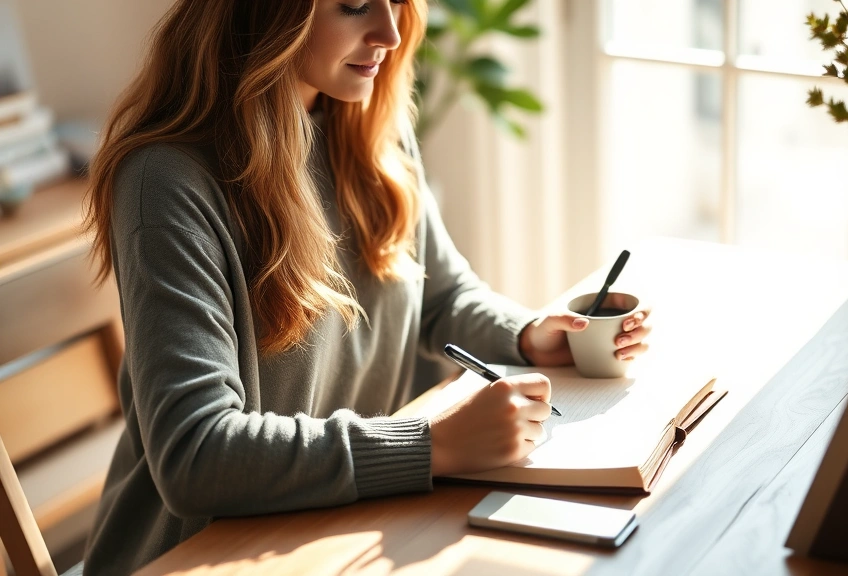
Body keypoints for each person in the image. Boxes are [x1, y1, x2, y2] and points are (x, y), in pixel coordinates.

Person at [81, 0, 652, 573]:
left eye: (397, 2)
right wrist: (433, 443)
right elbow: (196, 453)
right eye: (354, 6)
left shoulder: (371, 130)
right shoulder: (166, 184)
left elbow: (440, 296)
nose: (391, 31)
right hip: (193, 557)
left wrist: (528, 336)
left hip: (336, 529)